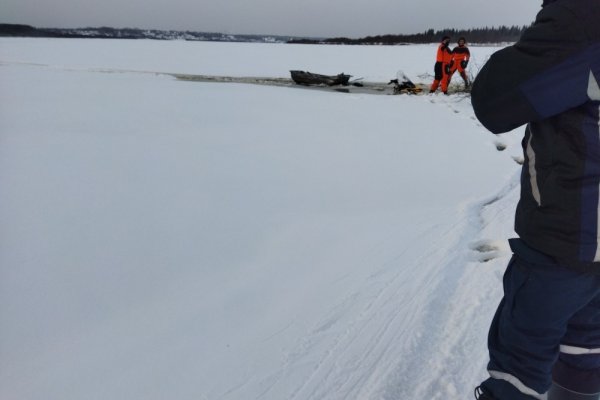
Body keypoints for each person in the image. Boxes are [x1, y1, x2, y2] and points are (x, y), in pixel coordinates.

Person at [470, 0, 600, 399]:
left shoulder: (583, 18)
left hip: (567, 242)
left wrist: (551, 23)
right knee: (586, 359)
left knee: (519, 370)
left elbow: (495, 100)